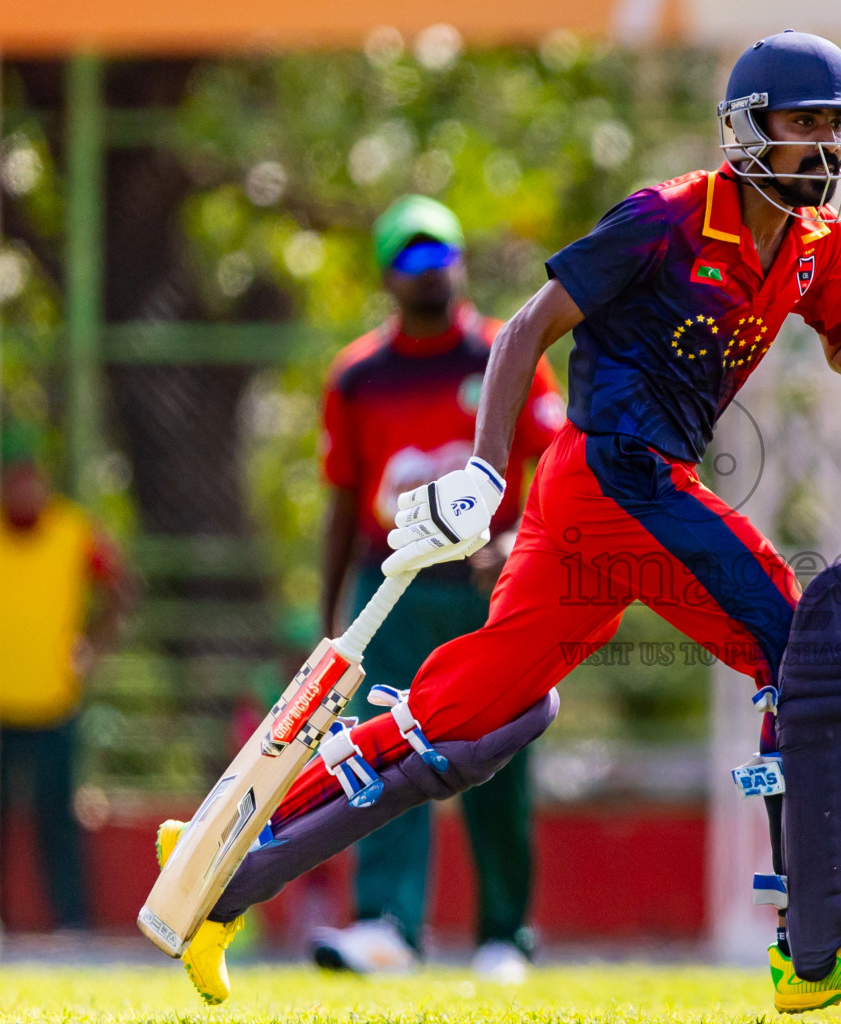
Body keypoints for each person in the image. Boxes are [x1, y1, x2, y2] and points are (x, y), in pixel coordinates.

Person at [170, 31, 841, 1012]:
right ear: (749, 127)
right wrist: (485, 468)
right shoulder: (667, 218)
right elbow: (526, 327)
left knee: (467, 714)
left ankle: (219, 863)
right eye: (807, 125)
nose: (830, 148)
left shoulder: (815, 246)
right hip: (611, 473)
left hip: (604, 493)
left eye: (839, 129)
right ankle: (818, 947)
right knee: (801, 646)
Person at [306, 195, 564, 981]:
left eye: (441, 255)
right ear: (388, 275)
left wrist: (519, 544)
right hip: (392, 593)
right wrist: (330, 625)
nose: (431, 272)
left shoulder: (504, 352)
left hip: (494, 590)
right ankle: (385, 925)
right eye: (413, 259)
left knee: (501, 756)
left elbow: (555, 468)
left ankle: (503, 935)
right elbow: (345, 498)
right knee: (375, 756)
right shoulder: (357, 376)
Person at [0, 423, 133, 931]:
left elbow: (121, 586)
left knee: (58, 818)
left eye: (31, 477)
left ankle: (72, 920)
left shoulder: (73, 530)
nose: (23, 487)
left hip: (55, 699)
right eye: (13, 477)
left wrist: (94, 645)